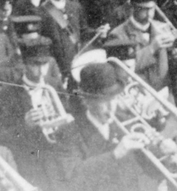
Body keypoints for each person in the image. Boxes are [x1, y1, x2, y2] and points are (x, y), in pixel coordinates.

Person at [47, 60, 169, 191]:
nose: (111, 107)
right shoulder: (67, 133)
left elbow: (154, 172)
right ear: (86, 101)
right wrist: (115, 154)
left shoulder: (128, 122)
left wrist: (165, 156)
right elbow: (71, 181)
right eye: (104, 101)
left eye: (114, 99)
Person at [0, 34, 67, 188]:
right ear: (24, 64)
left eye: (45, 64)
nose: (41, 70)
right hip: (29, 164)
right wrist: (24, 124)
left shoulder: (55, 86)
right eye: (35, 65)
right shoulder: (7, 94)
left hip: (58, 161)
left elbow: (70, 120)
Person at [108, 0, 173, 93]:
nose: (150, 14)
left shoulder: (162, 27)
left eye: (152, 9)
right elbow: (122, 71)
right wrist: (151, 48)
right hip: (138, 93)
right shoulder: (117, 34)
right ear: (132, 7)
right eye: (144, 9)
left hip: (164, 91)